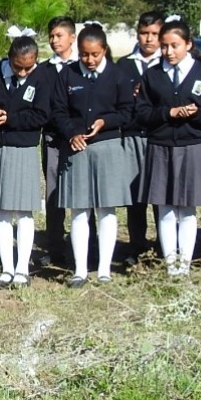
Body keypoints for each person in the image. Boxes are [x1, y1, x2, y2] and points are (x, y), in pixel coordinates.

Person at [135, 18, 201, 277]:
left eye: (175, 46)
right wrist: (168, 113)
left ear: (188, 45)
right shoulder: (152, 75)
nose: (168, 52)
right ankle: (170, 265)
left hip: (192, 146)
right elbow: (141, 113)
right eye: (164, 46)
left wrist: (196, 113)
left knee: (187, 208)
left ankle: (185, 265)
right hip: (160, 147)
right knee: (165, 208)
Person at [53, 25, 135, 286]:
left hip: (107, 147)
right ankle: (80, 270)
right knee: (79, 209)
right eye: (84, 54)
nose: (89, 60)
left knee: (106, 209)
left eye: (95, 55)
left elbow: (127, 111)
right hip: (76, 149)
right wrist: (71, 134)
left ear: (104, 50)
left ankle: (104, 270)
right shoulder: (67, 74)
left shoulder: (118, 75)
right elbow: (58, 111)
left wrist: (105, 122)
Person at [0, 33, 54, 289]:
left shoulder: (42, 78)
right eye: (17, 67)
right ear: (9, 58)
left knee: (22, 211)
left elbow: (41, 115)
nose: (22, 73)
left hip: (23, 148)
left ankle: (22, 270)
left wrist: (9, 118)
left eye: (27, 68)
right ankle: (7, 269)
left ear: (36, 60)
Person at [117, 11, 163, 263]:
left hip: (158, 135)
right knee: (134, 195)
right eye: (144, 33)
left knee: (160, 193)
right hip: (132, 135)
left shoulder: (167, 63)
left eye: (155, 34)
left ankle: (164, 246)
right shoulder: (124, 65)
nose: (149, 39)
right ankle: (136, 245)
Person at [40, 16, 78, 268]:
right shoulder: (44, 70)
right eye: (51, 36)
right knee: (53, 195)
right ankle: (55, 249)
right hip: (53, 139)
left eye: (59, 35)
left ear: (72, 38)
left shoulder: (81, 67)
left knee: (81, 196)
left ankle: (84, 248)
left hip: (79, 140)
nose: (54, 40)